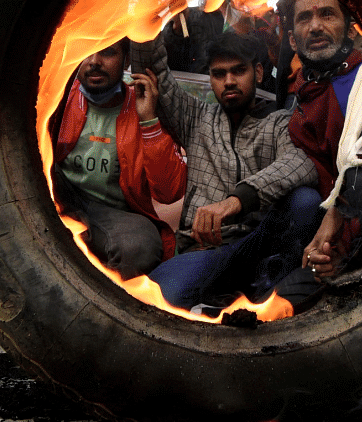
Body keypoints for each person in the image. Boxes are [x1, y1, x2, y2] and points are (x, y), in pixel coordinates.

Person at [131, 30, 320, 314]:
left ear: (257, 73)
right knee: (156, 298)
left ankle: (256, 294)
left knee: (305, 201)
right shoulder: (195, 117)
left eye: (238, 71)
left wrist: (236, 200)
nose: (229, 81)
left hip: (258, 247)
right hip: (206, 251)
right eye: (219, 74)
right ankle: (228, 297)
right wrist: (150, 11)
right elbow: (151, 65)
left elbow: (301, 163)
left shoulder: (280, 122)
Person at [49, 40, 187, 278]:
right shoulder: (58, 96)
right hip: (59, 198)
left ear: (127, 60)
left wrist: (149, 122)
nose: (94, 61)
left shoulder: (143, 104)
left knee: (141, 247)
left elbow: (169, 192)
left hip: (114, 214)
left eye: (108, 52)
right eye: (86, 51)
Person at [286, 0, 362, 289]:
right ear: (293, 40)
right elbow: (326, 188)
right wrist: (333, 253)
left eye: (328, 15)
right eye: (305, 18)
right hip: (351, 244)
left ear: (350, 30)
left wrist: (337, 212)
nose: (315, 26)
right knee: (284, 300)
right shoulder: (302, 114)